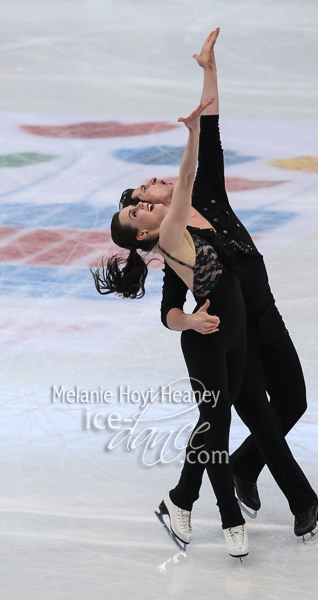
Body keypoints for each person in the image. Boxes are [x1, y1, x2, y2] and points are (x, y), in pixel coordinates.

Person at [118, 29, 318, 542]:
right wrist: (186, 319)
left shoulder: (205, 193)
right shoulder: (173, 244)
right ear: (149, 217)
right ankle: (302, 506)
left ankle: (226, 477)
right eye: (144, 191)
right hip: (234, 332)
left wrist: (208, 68)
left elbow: (208, 128)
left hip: (267, 315)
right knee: (252, 415)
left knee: (292, 402)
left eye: (147, 188)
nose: (152, 185)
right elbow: (168, 308)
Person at [93, 96, 250, 560]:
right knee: (216, 429)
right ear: (142, 234)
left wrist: (187, 316)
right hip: (206, 345)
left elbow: (168, 309)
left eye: (137, 205)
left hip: (232, 328)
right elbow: (185, 179)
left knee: (213, 427)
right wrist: (194, 132)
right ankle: (230, 519)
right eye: (136, 212)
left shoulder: (180, 231)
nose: (142, 204)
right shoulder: (167, 233)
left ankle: (180, 499)